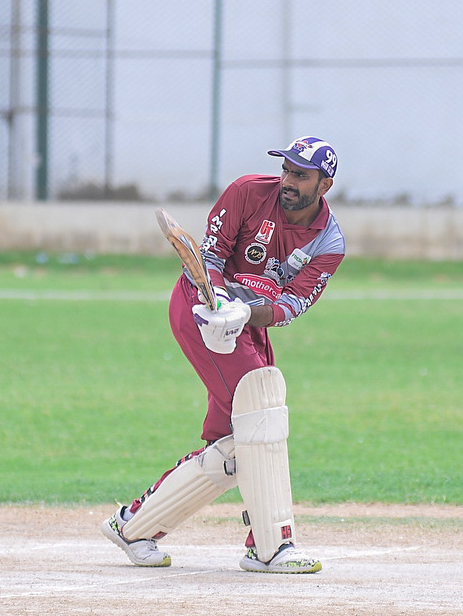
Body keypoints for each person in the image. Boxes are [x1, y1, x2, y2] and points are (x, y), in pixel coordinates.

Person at [101, 136, 346, 573]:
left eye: (301, 175)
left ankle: (134, 526)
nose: (288, 180)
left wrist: (245, 312)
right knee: (261, 415)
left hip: (246, 324)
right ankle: (271, 547)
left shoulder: (329, 243)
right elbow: (209, 257)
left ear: (324, 185)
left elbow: (292, 304)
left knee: (232, 443)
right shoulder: (247, 192)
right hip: (199, 311)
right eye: (286, 169)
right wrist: (217, 303)